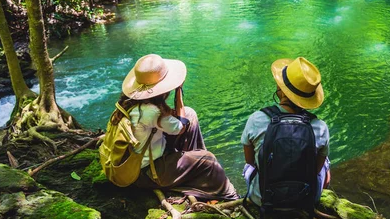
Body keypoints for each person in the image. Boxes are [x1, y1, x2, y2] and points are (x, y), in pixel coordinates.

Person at [111, 53, 237, 200]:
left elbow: (179, 119)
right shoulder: (150, 112)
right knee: (208, 160)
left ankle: (191, 168)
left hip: (141, 162)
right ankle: (231, 196)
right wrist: (179, 93)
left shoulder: (129, 103)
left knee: (190, 114)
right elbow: (180, 127)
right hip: (149, 173)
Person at [241, 56, 331, 207]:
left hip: (263, 199)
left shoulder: (256, 119)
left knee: (249, 167)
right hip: (305, 201)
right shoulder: (320, 127)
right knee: (326, 162)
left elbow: (250, 161)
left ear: (281, 90)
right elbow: (315, 170)